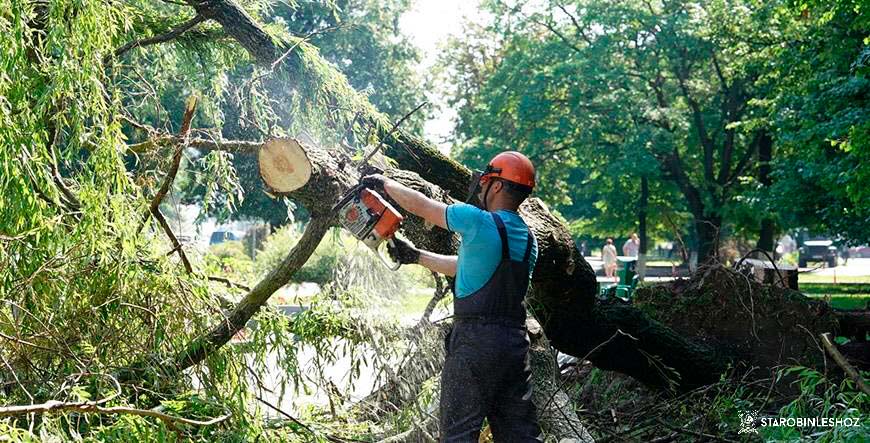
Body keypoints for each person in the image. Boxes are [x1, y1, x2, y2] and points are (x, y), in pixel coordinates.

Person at [361, 151, 542, 442]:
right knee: (520, 436)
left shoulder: (477, 221)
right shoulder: (529, 239)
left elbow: (424, 206)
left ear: (495, 186)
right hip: (513, 346)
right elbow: (467, 267)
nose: (480, 189)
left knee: (457, 435)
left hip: (475, 342)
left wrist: (384, 184)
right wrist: (416, 256)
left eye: (484, 183)